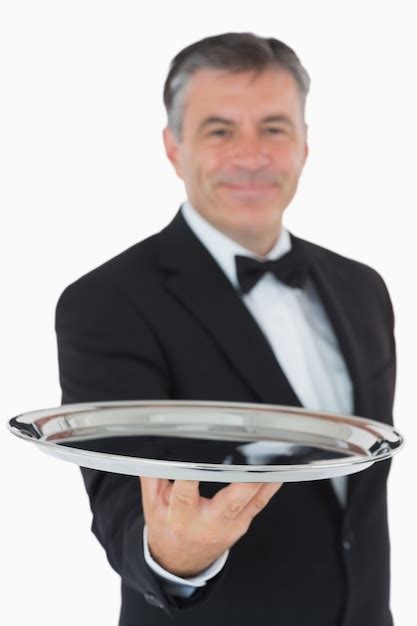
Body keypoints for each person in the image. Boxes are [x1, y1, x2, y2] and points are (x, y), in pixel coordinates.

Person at [55, 32, 396, 626]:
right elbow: (118, 502)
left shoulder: (363, 287)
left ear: (305, 145)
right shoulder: (104, 302)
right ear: (173, 147)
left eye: (273, 128)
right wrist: (174, 554)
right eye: (219, 131)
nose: (251, 155)